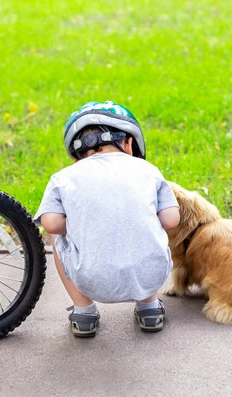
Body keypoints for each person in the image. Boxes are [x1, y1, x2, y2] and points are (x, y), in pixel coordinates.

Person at [34, 101, 179, 337]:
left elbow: (51, 224)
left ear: (76, 156)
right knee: (150, 230)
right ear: (129, 143)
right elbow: (172, 219)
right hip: (150, 276)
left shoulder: (63, 177)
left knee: (58, 239)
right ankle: (149, 308)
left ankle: (84, 312)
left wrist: (82, 221)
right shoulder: (148, 170)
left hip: (90, 279)